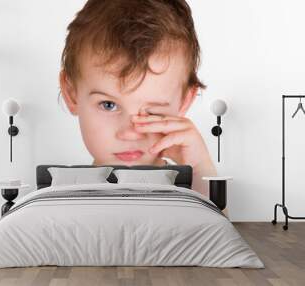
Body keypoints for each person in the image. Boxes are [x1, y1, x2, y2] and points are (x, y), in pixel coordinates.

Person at [58, 0, 217, 198]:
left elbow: (220, 228)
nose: (131, 133)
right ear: (71, 93)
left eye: (152, 112)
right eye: (109, 105)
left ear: (185, 101)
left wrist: (200, 169)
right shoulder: (61, 201)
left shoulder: (194, 188)